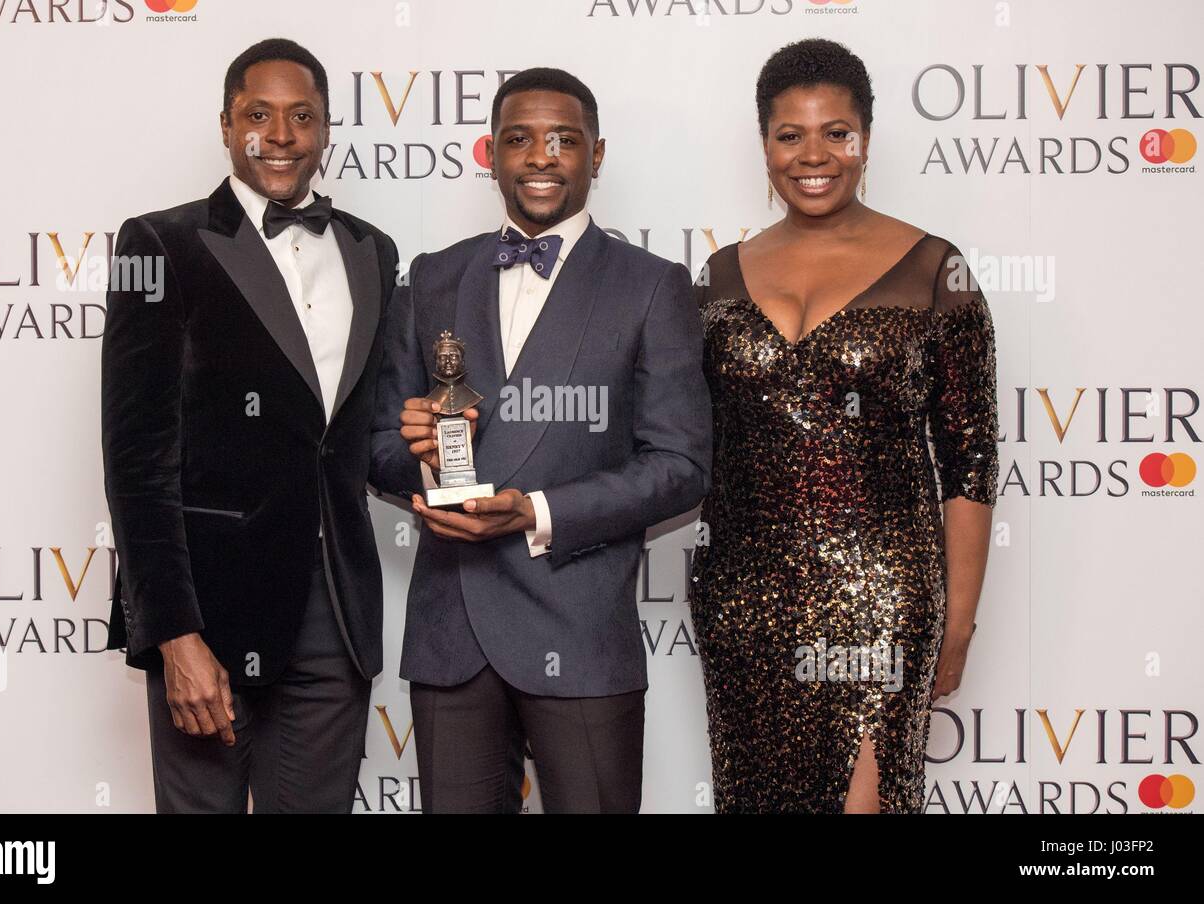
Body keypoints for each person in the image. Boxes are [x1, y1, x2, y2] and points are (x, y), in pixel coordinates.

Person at [370, 67, 711, 814]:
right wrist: (423, 456)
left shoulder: (652, 285)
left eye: (564, 139)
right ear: (492, 153)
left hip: (580, 627)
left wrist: (537, 512)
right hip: (451, 632)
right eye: (519, 139)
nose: (540, 157)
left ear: (597, 153)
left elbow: (680, 467)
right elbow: (379, 452)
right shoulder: (432, 277)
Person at [691, 38, 999, 813]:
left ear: (868, 138)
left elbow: (968, 458)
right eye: (789, 135)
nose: (813, 155)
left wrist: (957, 623)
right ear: (763, 145)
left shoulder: (937, 270)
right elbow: (683, 432)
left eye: (837, 132)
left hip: (881, 592)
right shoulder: (720, 276)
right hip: (743, 596)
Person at [101, 38, 399, 813]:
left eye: (302, 116)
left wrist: (443, 452)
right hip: (211, 617)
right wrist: (173, 634)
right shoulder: (160, 244)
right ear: (227, 126)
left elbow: (355, 439)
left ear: (327, 130)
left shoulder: (373, 251)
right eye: (258, 114)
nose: (281, 134)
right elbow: (136, 462)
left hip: (336, 612)